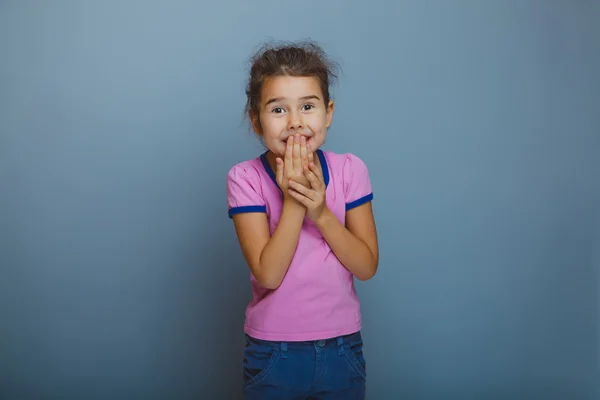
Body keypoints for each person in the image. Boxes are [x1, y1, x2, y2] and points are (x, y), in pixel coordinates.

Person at [226, 40, 379, 400]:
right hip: (274, 353)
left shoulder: (349, 170)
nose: (295, 122)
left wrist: (321, 213)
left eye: (307, 107)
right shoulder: (244, 179)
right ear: (256, 120)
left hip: (341, 349)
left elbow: (367, 265)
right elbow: (269, 273)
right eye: (278, 110)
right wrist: (294, 202)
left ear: (328, 113)